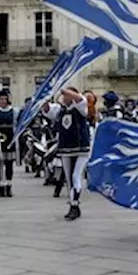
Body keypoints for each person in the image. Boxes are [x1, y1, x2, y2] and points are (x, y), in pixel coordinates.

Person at [46, 87, 91, 220]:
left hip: (81, 147)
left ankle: (74, 205)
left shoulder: (81, 105)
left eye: (66, 95)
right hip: (65, 148)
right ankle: (73, 205)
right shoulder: (59, 110)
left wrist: (61, 88)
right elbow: (47, 109)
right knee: (69, 178)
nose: (64, 97)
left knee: (76, 176)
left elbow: (78, 97)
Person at [0, 91, 18, 198]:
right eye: (1, 99)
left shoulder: (13, 111)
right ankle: (1, 187)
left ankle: (9, 186)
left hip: (10, 138)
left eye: (5, 99)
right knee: (0, 165)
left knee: (9, 164)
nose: (3, 101)